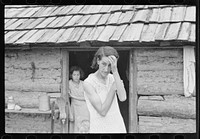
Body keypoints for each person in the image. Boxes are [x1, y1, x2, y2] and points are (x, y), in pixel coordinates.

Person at [83, 46, 127, 133]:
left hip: (117, 125)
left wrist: (115, 71)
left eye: (110, 65)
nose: (106, 69)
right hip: (100, 127)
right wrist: (112, 89)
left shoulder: (113, 78)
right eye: (104, 64)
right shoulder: (88, 83)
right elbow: (102, 111)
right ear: (98, 61)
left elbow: (123, 98)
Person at [68, 66, 90, 133]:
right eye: (74, 75)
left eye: (78, 75)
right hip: (75, 108)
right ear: (71, 75)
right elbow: (67, 99)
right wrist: (70, 113)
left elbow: (87, 97)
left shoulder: (83, 83)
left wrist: (72, 96)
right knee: (76, 127)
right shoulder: (69, 84)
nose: (76, 77)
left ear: (80, 75)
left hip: (84, 108)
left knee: (85, 126)